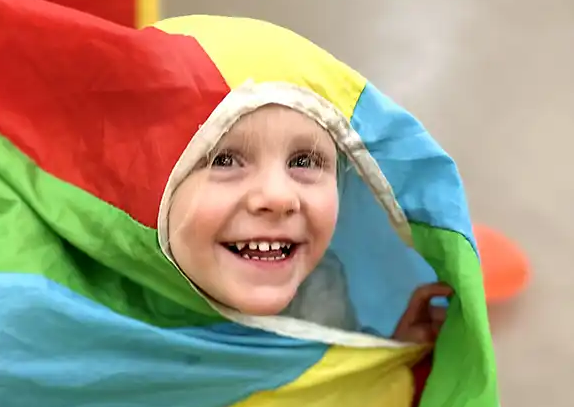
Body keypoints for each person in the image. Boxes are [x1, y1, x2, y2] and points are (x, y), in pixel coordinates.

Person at [165, 101, 452, 345]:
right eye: (224, 160)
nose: (279, 197)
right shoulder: (122, 314)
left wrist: (386, 361)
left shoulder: (321, 289)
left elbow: (329, 383)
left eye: (303, 162)